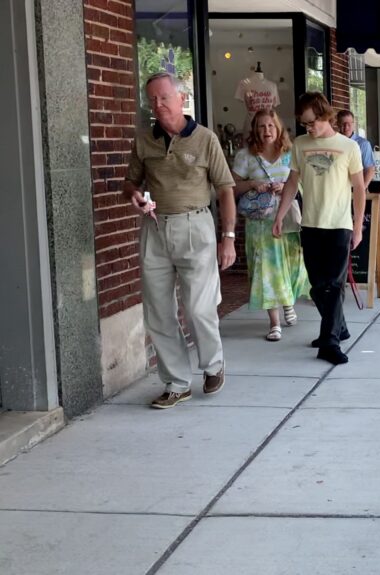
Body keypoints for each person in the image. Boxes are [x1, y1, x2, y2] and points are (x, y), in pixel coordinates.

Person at [124, 72, 236, 409]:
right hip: (155, 228)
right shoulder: (144, 141)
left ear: (180, 98)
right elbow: (130, 182)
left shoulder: (204, 139)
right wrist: (134, 195)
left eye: (163, 98)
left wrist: (227, 237)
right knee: (158, 311)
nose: (157, 105)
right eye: (152, 100)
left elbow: (225, 189)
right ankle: (176, 383)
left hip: (195, 226)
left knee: (199, 307)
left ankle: (213, 365)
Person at [272, 92, 365, 365]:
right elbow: (291, 183)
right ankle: (339, 326)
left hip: (338, 225)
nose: (308, 128)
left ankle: (329, 342)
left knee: (334, 286)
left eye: (312, 122)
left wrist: (358, 227)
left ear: (325, 116)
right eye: (304, 124)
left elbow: (359, 189)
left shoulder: (348, 147)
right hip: (310, 224)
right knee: (316, 286)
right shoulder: (300, 145)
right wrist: (280, 215)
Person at [231, 110, 310, 342]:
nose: (266, 131)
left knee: (294, 267)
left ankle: (288, 302)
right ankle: (274, 322)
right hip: (260, 223)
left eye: (271, 126)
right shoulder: (246, 156)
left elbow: (304, 183)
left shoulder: (290, 154)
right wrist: (254, 184)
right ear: (255, 130)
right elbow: (231, 187)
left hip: (288, 219)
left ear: (278, 129)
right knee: (268, 269)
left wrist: (285, 186)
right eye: (261, 127)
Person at [337, 110, 376, 186]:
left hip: (355, 187)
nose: (346, 127)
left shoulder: (363, 144)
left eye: (349, 124)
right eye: (343, 124)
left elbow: (370, 169)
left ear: (353, 125)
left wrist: (362, 188)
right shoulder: (333, 143)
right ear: (338, 124)